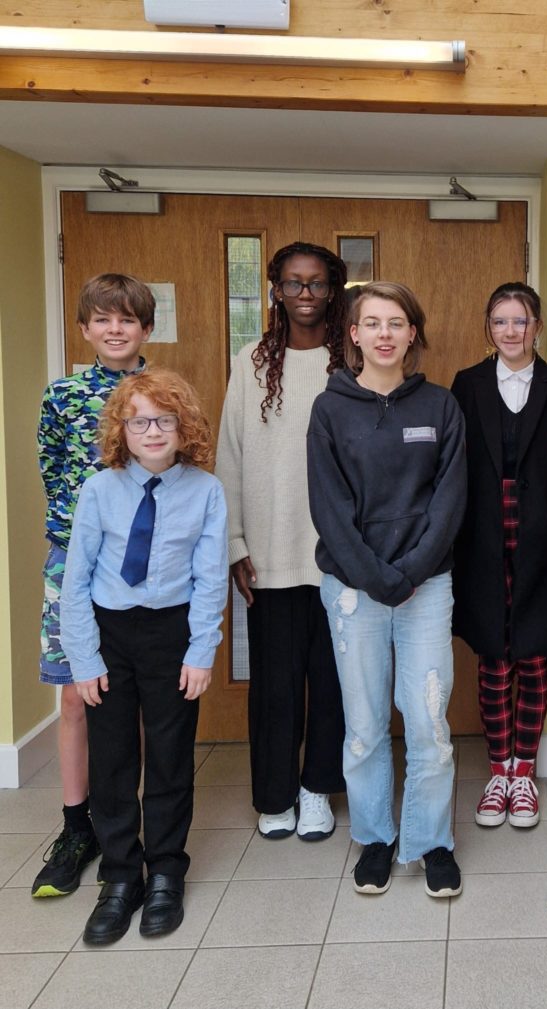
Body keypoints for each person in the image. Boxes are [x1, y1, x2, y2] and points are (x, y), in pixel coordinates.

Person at [307, 281, 467, 898]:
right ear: (353, 334)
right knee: (366, 724)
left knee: (428, 722)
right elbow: (329, 505)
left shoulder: (441, 407)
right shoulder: (330, 409)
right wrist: (376, 576)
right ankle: (375, 838)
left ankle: (429, 843)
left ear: (412, 334)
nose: (383, 334)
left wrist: (410, 573)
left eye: (395, 323)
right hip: (353, 588)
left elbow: (450, 501)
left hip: (426, 586)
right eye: (371, 323)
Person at [61, 367, 228, 944]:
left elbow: (211, 579)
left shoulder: (206, 490)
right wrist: (84, 659)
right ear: (121, 430)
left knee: (169, 753)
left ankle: (165, 872)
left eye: (164, 420)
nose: (152, 432)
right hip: (109, 634)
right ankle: (119, 876)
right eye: (139, 422)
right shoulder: (99, 490)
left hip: (172, 633)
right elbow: (75, 580)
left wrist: (201, 650)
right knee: (111, 759)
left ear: (184, 428)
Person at [216, 241, 348, 841]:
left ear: (332, 290)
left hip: (339, 555)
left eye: (316, 283)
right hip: (267, 553)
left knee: (333, 680)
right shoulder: (250, 363)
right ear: (274, 290)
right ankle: (274, 796)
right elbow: (230, 457)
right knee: (274, 684)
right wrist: (234, 543)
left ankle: (318, 787)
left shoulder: (350, 360)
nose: (304, 294)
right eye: (293, 283)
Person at [32, 273, 153, 899]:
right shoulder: (62, 397)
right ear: (84, 329)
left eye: (127, 319)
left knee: (129, 699)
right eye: (102, 319)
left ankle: (124, 826)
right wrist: (81, 550)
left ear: (145, 329)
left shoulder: (161, 395)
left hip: (144, 572)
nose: (114, 329)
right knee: (79, 697)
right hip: (74, 567)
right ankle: (76, 827)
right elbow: (53, 475)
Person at [451, 282, 547, 829]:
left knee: (534, 656)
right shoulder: (467, 384)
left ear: (536, 326)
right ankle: (498, 770)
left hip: (544, 538)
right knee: (493, 659)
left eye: (520, 321)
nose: (510, 331)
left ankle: (525, 774)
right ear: (489, 328)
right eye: (500, 321)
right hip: (481, 538)